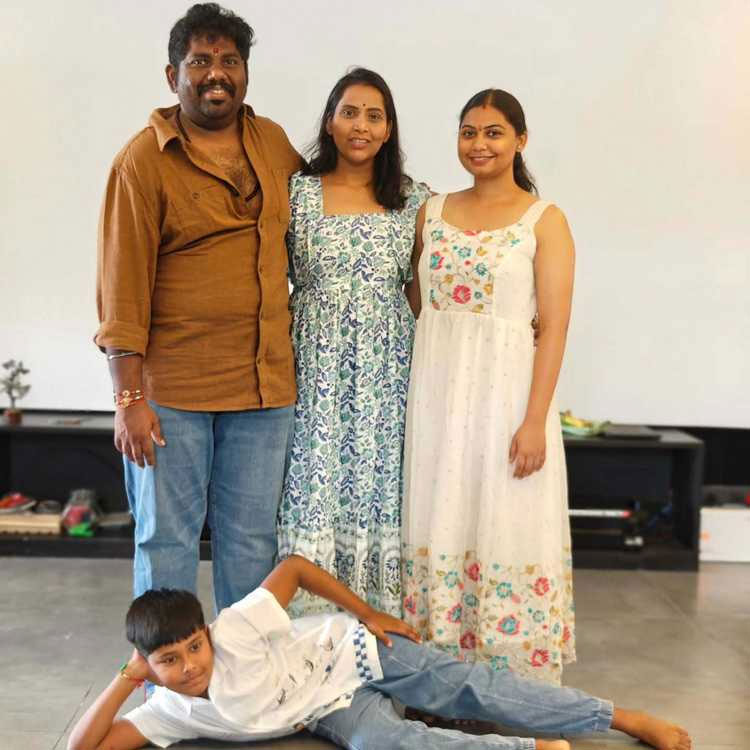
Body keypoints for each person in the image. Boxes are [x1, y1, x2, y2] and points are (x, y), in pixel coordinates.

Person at [94, 3, 301, 612]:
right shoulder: (141, 162)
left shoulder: (272, 143)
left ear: (245, 73)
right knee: (166, 542)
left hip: (263, 391)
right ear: (173, 75)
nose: (217, 73)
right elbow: (120, 289)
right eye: (200, 61)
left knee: (253, 545)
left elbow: (328, 215)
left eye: (230, 61)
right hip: (172, 395)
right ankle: (166, 674)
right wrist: (129, 400)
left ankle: (245, 670)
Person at [67, 555, 691, 750]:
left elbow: (293, 568)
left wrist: (367, 614)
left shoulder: (236, 628)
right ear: (148, 666)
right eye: (169, 660)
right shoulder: (168, 711)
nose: (190, 666)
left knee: (473, 689)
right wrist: (127, 679)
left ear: (206, 633)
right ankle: (533, 749)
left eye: (193, 647)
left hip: (354, 652)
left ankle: (619, 717)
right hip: (328, 707)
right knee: (387, 744)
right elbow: (81, 749)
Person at [401, 89, 576, 684]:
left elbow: (553, 327)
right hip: (439, 398)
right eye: (469, 131)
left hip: (508, 401)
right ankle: (440, 677)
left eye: (494, 132)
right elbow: (418, 301)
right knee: (441, 519)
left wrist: (534, 420)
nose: (480, 144)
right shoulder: (431, 212)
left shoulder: (544, 220)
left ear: (520, 141)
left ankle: (509, 685)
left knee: (506, 518)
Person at [277, 68, 431, 616]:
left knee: (379, 486)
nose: (360, 126)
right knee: (311, 485)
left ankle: (378, 628)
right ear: (329, 121)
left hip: (388, 373)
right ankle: (309, 629)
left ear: (388, 130)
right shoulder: (297, 193)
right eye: (349, 113)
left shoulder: (414, 200)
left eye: (374, 116)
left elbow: (424, 289)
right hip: (314, 367)